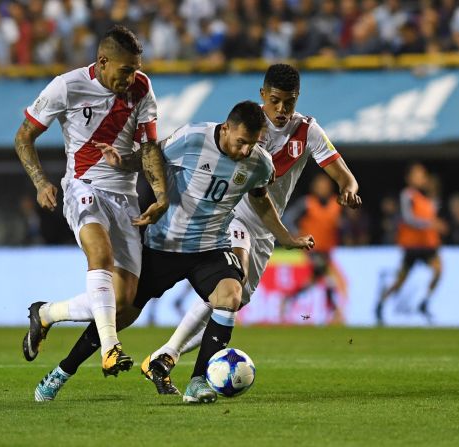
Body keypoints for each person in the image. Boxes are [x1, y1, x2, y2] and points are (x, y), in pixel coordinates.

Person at [31, 101, 316, 403]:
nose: (245, 151)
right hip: (163, 245)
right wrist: (123, 162)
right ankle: (61, 372)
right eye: (241, 142)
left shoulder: (260, 163)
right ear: (227, 128)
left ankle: (197, 382)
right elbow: (152, 156)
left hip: (211, 246)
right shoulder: (193, 138)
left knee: (231, 294)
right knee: (119, 312)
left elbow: (261, 201)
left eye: (252, 144)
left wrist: (285, 236)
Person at [141, 64, 362, 395]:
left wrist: (349, 188)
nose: (282, 110)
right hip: (233, 216)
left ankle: (164, 356)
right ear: (263, 95)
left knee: (235, 302)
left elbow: (343, 173)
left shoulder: (308, 130)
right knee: (232, 283)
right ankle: (182, 367)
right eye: (276, 101)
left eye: (289, 102)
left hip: (266, 228)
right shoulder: (248, 123)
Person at [14, 25, 168, 382]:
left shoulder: (143, 88)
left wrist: (160, 196)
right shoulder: (66, 86)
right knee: (99, 255)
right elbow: (24, 136)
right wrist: (40, 182)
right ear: (102, 62)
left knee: (124, 303)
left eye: (136, 68)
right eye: (126, 69)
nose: (132, 77)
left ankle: (47, 313)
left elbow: (148, 151)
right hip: (83, 187)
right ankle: (111, 349)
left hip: (125, 199)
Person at [375, 163, 446, 325]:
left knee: (439, 270)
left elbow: (434, 215)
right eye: (416, 175)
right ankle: (380, 303)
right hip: (413, 246)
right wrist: (431, 224)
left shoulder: (429, 198)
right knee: (400, 282)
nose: (420, 178)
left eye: (422, 175)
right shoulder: (408, 195)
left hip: (428, 245)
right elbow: (408, 218)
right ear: (409, 178)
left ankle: (424, 302)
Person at [279, 174, 347, 324]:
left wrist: (342, 227)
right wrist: (296, 236)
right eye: (319, 185)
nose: (322, 188)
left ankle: (288, 299)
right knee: (328, 278)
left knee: (314, 280)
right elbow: (288, 219)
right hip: (312, 249)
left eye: (325, 185)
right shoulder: (307, 203)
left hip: (328, 249)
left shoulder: (336, 204)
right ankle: (335, 312)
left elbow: (344, 224)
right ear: (314, 187)